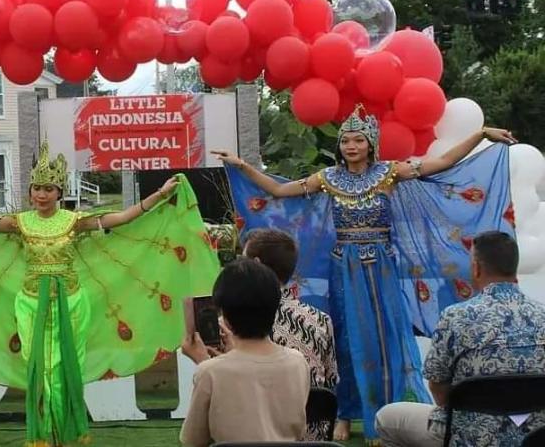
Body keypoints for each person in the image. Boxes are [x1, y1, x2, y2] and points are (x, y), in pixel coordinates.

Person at [0, 140, 221, 446]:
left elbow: (120, 218)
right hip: (30, 303)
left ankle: (67, 434)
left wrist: (158, 196)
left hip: (71, 302)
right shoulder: (18, 222)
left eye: (48, 188)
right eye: (37, 188)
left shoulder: (74, 221)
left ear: (59, 191)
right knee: (40, 370)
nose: (41, 194)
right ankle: (43, 435)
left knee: (66, 369)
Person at [217, 108, 516, 442]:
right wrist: (241, 165)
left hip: (382, 268)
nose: (351, 146)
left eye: (358, 140)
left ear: (371, 144)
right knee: (346, 337)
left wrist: (480, 135)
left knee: (387, 339)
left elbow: (442, 162)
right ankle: (345, 413)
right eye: (345, 140)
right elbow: (279, 191)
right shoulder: (328, 177)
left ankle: (388, 412)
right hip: (344, 268)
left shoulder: (389, 173)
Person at [375, 232, 545, 446]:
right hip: (534, 435)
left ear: (476, 267)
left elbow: (437, 387)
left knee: (387, 417)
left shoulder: (455, 316)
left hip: (469, 436)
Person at [180, 258, 310, 445]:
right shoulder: (297, 362)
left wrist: (205, 364)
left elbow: (193, 440)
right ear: (274, 308)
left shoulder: (210, 372)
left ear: (225, 317)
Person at [245, 228, 338, 439]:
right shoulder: (321, 320)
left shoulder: (239, 323)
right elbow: (330, 380)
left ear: (256, 264)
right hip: (313, 436)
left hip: (261, 434)